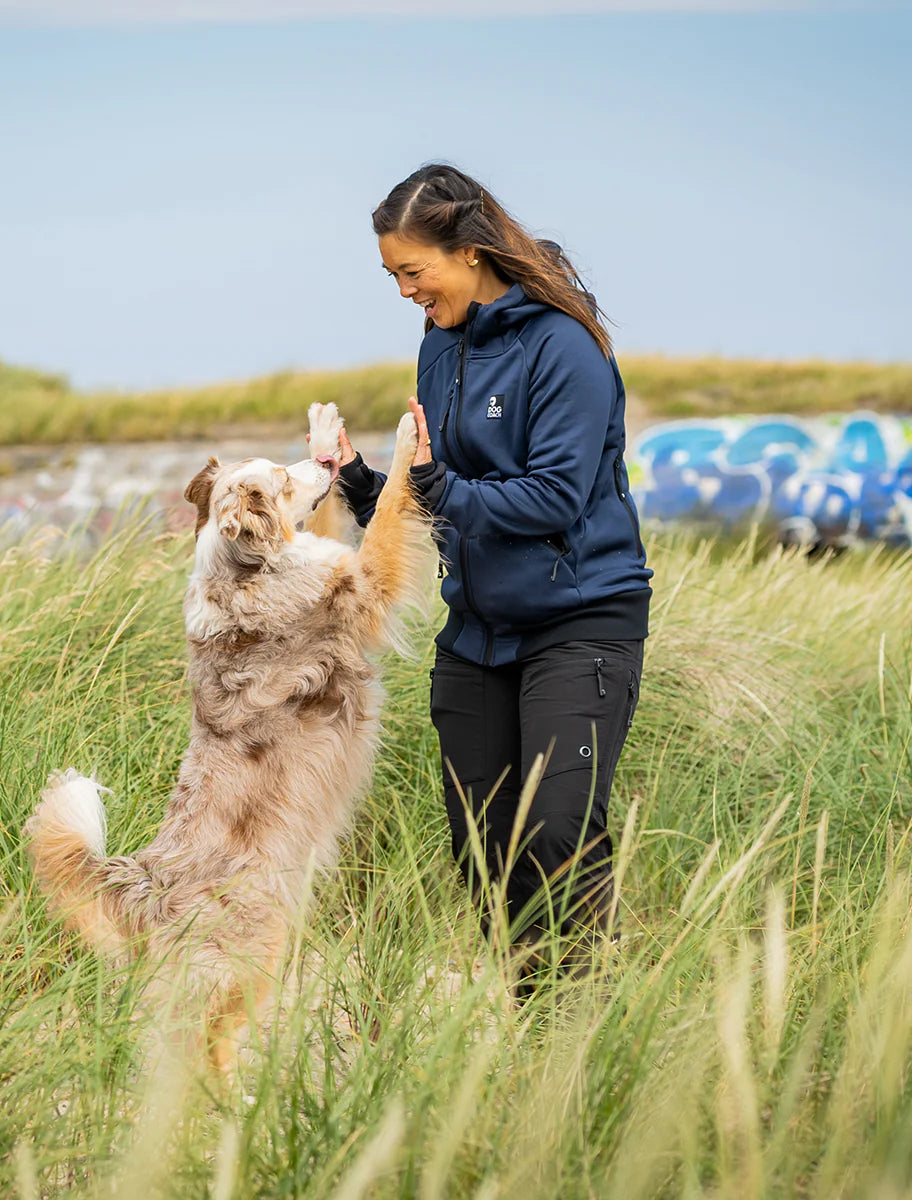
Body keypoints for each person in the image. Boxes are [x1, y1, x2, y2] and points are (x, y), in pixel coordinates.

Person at [332, 163, 651, 978]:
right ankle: (532, 1023)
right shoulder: (440, 345)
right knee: (484, 852)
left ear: (469, 251)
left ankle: (581, 1035)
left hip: (579, 623)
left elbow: (552, 500)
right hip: (476, 635)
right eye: (392, 276)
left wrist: (436, 483)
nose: (405, 292)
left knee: (556, 833)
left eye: (413, 272)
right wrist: (363, 482)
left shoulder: (563, 346)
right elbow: (438, 501)